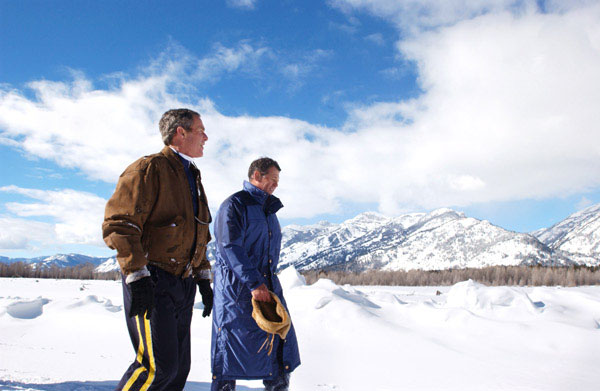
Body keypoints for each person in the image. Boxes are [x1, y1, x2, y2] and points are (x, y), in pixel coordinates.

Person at [103, 108, 214, 391]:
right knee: (157, 368)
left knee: (178, 370)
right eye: (201, 130)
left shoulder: (192, 175)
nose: (206, 137)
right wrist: (136, 274)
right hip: (153, 280)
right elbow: (120, 223)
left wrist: (202, 277)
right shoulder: (149, 169)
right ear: (181, 132)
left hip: (183, 284)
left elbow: (199, 234)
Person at [211, 157, 301, 391]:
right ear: (257, 176)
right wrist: (254, 283)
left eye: (278, 180)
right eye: (272, 179)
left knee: (279, 348)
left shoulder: (268, 210)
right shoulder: (235, 205)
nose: (276, 185)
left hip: (266, 287)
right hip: (237, 293)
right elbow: (230, 246)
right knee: (229, 353)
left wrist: (263, 284)